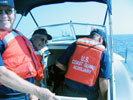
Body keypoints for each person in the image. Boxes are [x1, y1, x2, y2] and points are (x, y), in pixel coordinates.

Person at [0, 0, 60, 100]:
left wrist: (32, 93)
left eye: (8, 11)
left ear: (15, 13)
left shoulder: (18, 36)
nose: (4, 15)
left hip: (26, 94)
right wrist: (37, 91)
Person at [55, 28, 110, 100]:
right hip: (88, 96)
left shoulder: (75, 44)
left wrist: (71, 70)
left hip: (66, 92)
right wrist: (104, 97)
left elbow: (58, 64)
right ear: (100, 40)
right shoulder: (104, 53)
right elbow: (103, 81)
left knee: (55, 89)